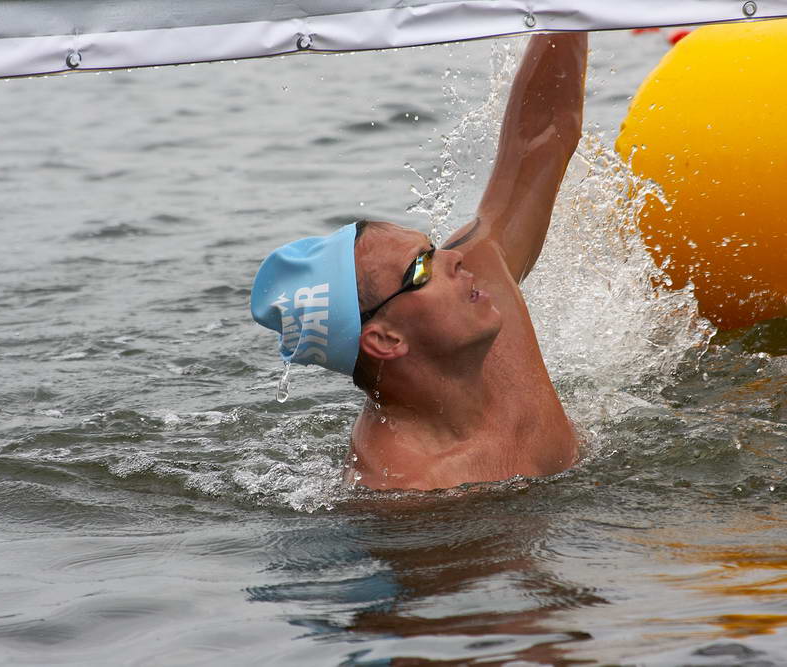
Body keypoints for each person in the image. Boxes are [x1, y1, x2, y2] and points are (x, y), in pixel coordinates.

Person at [251, 33, 588, 490]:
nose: (455, 257)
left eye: (432, 247)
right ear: (385, 339)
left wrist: (565, 14)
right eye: (421, 268)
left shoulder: (482, 279)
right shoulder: (408, 493)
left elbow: (542, 136)